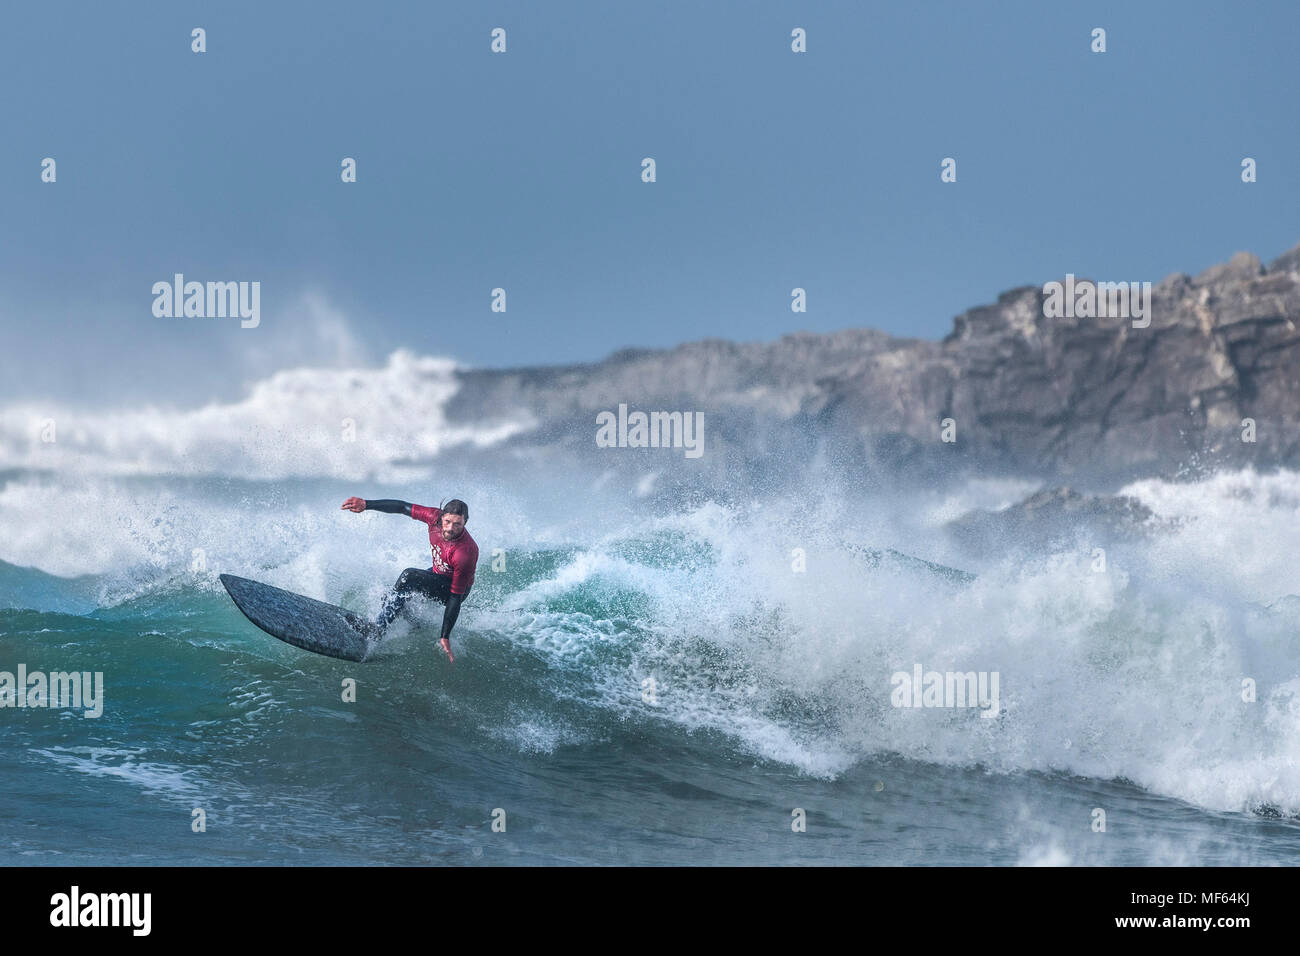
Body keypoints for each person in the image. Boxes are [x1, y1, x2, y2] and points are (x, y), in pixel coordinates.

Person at [340, 496, 479, 662]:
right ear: (441, 516)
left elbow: (456, 597)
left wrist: (445, 636)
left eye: (458, 524)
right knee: (395, 594)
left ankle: (378, 629)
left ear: (465, 523)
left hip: (453, 590)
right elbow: (402, 507)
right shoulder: (433, 517)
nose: (450, 528)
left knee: (409, 576)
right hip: (438, 574)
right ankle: (412, 621)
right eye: (447, 521)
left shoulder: (465, 552)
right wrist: (367, 504)